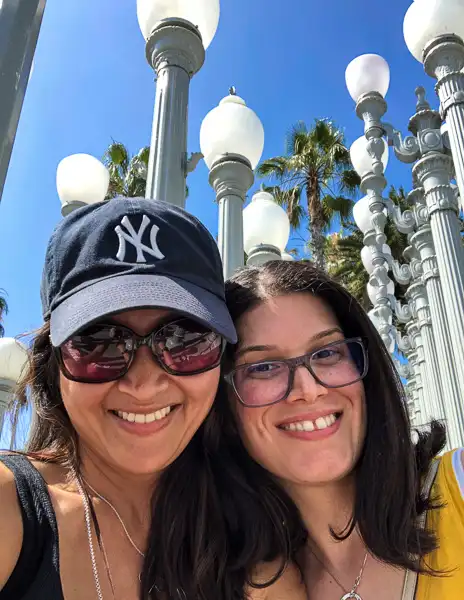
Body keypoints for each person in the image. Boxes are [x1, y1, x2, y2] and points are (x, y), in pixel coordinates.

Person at [0, 198, 304, 600]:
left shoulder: (255, 551)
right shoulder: (10, 509)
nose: (143, 384)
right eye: (99, 343)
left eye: (185, 340)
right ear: (53, 365)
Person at [221, 259, 464, 600]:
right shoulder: (255, 587)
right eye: (263, 367)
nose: (308, 388)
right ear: (224, 408)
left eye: (326, 352)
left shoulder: (458, 488)